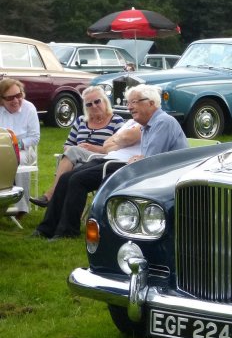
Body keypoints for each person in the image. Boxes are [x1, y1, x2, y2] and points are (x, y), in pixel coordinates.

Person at [34, 84, 188, 240]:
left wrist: (137, 157)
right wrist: (136, 156)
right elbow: (113, 146)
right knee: (66, 178)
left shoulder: (162, 122)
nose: (129, 107)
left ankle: (67, 231)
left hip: (156, 175)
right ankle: (46, 228)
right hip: (128, 164)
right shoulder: (146, 126)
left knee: (77, 180)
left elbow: (150, 159)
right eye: (128, 103)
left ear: (151, 103)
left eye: (134, 102)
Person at [30, 86, 124, 208]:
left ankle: (50, 194)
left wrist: (93, 148)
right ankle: (69, 214)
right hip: (79, 162)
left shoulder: (116, 121)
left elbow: (120, 147)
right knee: (73, 165)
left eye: (97, 101)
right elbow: (68, 144)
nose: (94, 106)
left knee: (73, 155)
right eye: (89, 104)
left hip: (101, 161)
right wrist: (74, 149)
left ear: (105, 100)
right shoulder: (81, 121)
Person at [0, 78, 40, 216]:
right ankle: (3, 203)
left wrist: (15, 145)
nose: (16, 100)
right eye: (10, 97)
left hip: (25, 150)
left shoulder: (29, 108)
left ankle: (21, 208)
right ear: (2, 99)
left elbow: (35, 137)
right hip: (1, 150)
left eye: (19, 95)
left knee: (17, 161)